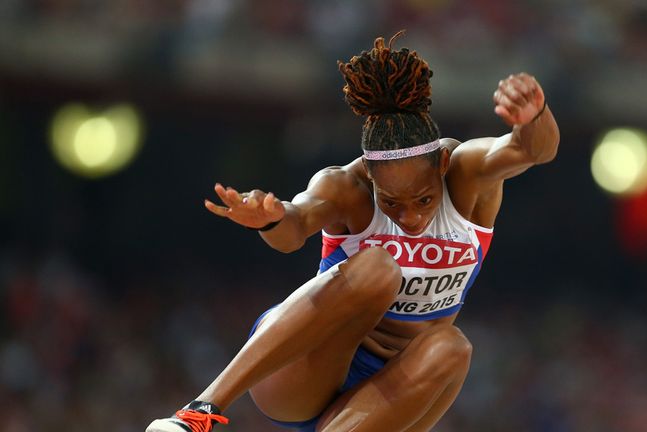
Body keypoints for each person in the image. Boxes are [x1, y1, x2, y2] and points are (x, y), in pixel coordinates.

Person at [146, 31, 559, 432]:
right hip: (304, 370)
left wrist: (534, 119)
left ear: (443, 166)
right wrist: (270, 220)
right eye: (392, 203)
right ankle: (197, 412)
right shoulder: (344, 187)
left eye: (424, 200)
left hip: (385, 392)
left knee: (452, 348)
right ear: (371, 179)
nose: (410, 217)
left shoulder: (470, 174)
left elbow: (532, 150)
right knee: (377, 269)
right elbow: (294, 229)